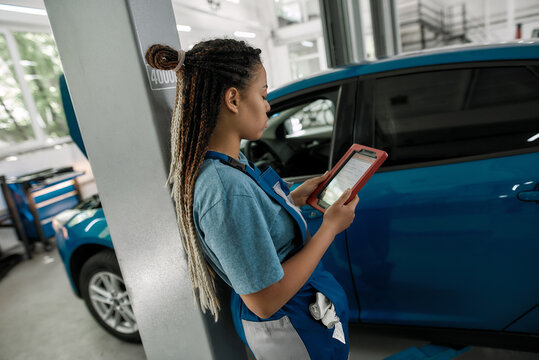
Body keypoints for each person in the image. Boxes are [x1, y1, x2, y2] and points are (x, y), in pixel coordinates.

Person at [145, 38, 359, 359]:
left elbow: (256, 218)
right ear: (233, 99)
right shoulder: (225, 188)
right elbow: (264, 301)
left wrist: (294, 199)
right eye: (263, 93)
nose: (269, 104)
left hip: (301, 313)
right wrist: (329, 228)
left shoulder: (229, 161)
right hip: (289, 324)